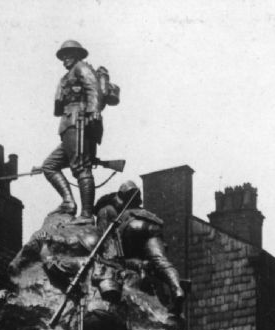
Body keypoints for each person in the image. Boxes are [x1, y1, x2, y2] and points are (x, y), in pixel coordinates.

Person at [42, 40, 117, 220]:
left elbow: (93, 88)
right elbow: (59, 107)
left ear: (76, 55)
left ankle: (86, 215)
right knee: (49, 166)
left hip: (79, 123)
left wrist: (94, 111)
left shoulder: (81, 68)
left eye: (68, 55)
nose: (65, 59)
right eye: (63, 56)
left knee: (81, 168)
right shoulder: (67, 77)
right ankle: (68, 202)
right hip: (70, 124)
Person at [94, 180, 186, 313]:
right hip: (151, 226)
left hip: (131, 228)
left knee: (113, 259)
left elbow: (107, 249)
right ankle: (176, 288)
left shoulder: (106, 210)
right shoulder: (143, 212)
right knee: (160, 260)